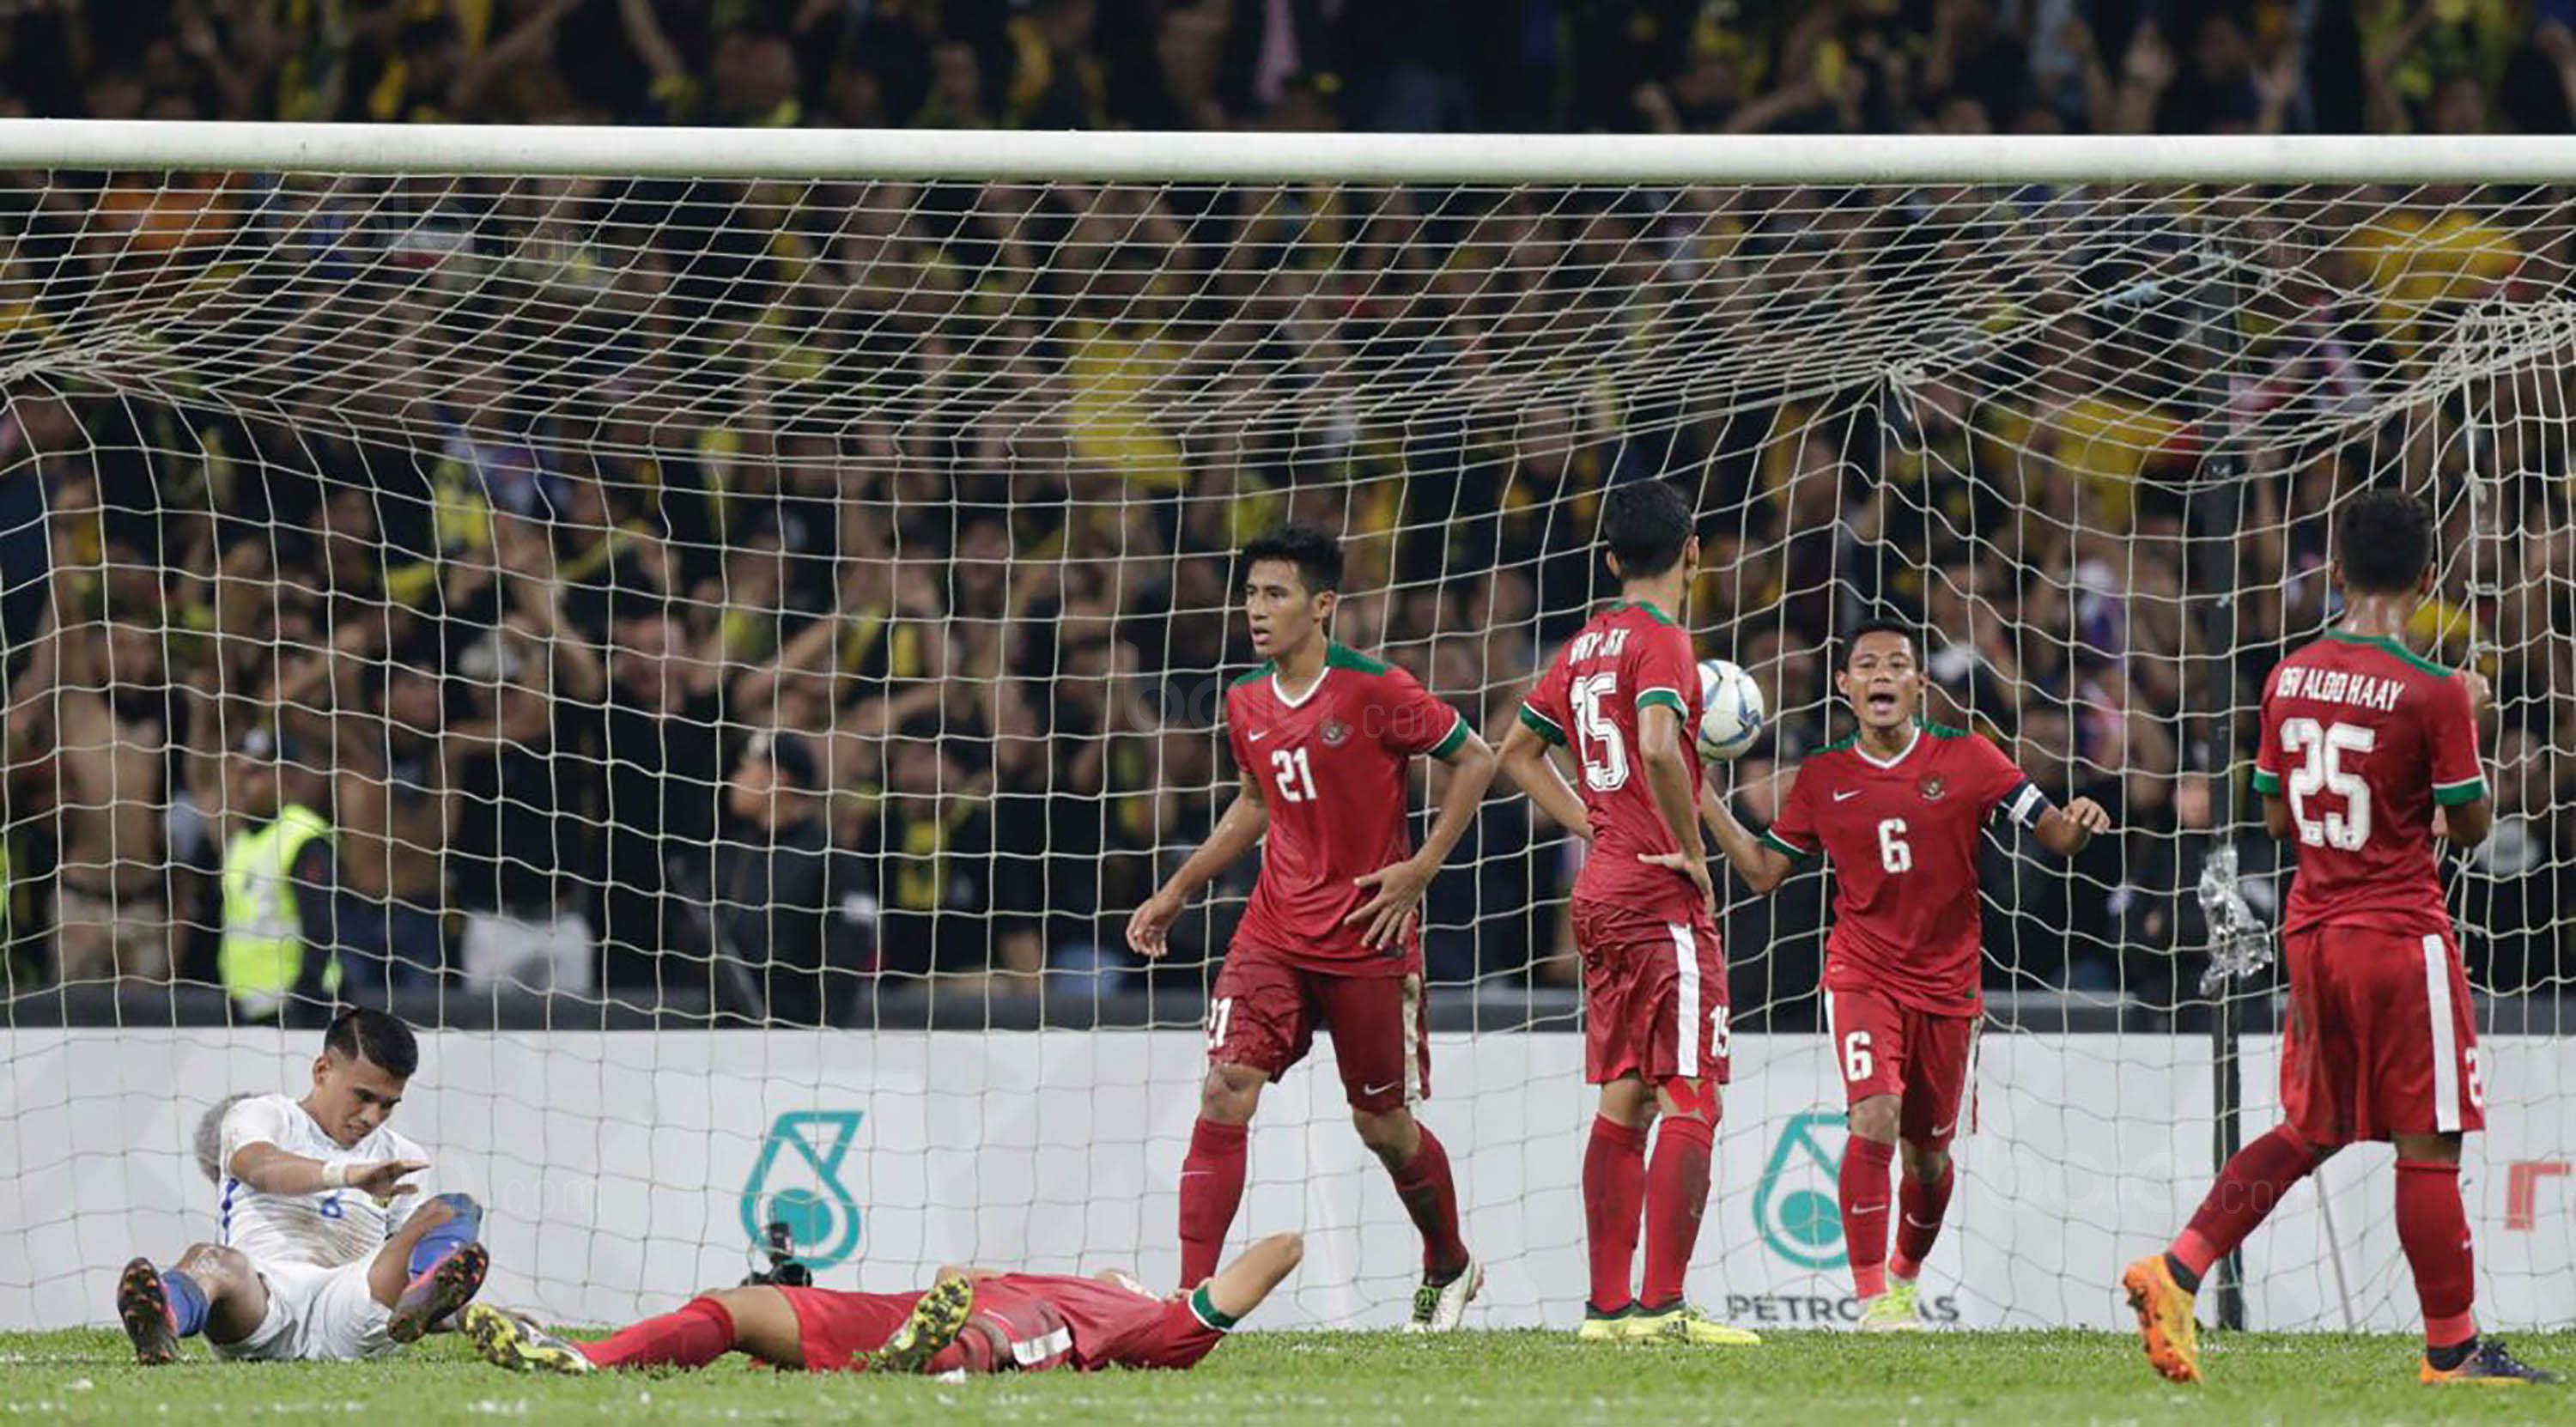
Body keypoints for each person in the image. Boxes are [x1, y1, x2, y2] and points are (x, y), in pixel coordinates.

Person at [2123, 490, 2557, 1387]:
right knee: (2430, 1141)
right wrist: (2470, 722)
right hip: (2398, 934)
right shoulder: (2432, 691)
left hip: (2314, 931)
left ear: (2336, 573)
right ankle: (2453, 1350)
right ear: (2428, 579)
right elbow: (2473, 828)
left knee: (2311, 1128)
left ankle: (2178, 1268)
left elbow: (2275, 819)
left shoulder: (2288, 676)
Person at [1125, 521, 1498, 1331]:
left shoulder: (1376, 690)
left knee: (1383, 1126)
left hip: (1367, 935)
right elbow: (1256, 801)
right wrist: (1179, 888)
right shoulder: (1245, 699)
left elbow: (1478, 758)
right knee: (1225, 1088)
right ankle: (1190, 1304)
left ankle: (1449, 1262)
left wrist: (1422, 867)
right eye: (1251, 594)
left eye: (1276, 594)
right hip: (1273, 931)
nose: (1257, 610)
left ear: (1322, 605)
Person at [1698, 617, 2109, 1330]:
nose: (1882, 674)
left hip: (1949, 985)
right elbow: (1763, 872)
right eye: (1867, 665)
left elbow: (2055, 833)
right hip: (1861, 973)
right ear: (1844, 686)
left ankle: (1903, 1277)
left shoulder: (1971, 758)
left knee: (1928, 1158)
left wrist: (2079, 821)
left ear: (1919, 684)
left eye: (1896, 664)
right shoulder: (1823, 775)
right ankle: (1872, 1301)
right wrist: (1703, 794)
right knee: (1875, 1112)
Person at [1492, 479, 1759, 1347]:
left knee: (1627, 1095)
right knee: (1693, 1096)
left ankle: (1608, 1314)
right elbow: (1656, 744)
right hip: (1655, 895)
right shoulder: (1664, 641)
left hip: (1600, 891)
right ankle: (1662, 1307)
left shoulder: (1583, 645)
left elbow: (1516, 752)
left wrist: (1591, 823)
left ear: (1611, 561)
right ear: (1693, 553)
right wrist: (1690, 846)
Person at [112, 1009, 489, 1364]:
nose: (372, 1117)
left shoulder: (402, 1157)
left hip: (353, 1309)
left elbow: (399, 1261)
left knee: (455, 1209)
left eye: (388, 1105)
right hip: (260, 1301)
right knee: (211, 1261)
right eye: (363, 1096)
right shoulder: (264, 1115)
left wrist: (467, 1316)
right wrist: (348, 1175)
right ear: (322, 1070)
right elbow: (255, 1165)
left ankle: (424, 1302)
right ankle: (163, 1320)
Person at [459, 1231, 1304, 1377]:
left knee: (989, 1336)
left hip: (1002, 1330)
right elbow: (954, 1271)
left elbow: (1283, 1249)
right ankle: (582, 1358)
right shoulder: (1047, 1278)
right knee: (737, 1306)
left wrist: (1193, 1290)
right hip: (912, 1307)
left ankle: (925, 1358)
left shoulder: (1149, 1326)